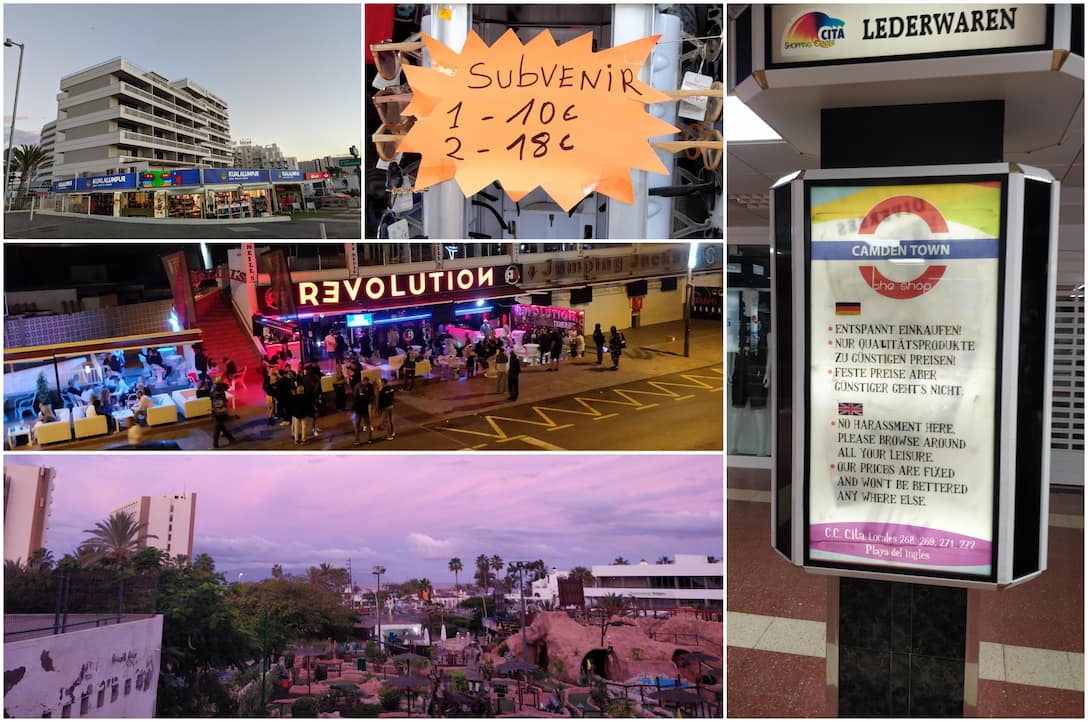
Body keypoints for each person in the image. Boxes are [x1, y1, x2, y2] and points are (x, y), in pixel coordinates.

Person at [210, 378, 238, 449]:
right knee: (221, 427)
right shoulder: (222, 389)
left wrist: (213, 410)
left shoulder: (216, 391)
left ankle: (215, 446)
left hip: (218, 412)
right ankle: (232, 439)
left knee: (217, 429)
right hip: (222, 411)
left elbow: (215, 401)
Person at [352, 376, 376, 446]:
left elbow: (355, 398)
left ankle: (360, 440)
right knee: (363, 425)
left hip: (360, 410)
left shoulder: (361, 388)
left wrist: (354, 408)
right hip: (364, 409)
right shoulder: (364, 390)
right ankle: (368, 439)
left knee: (358, 425)